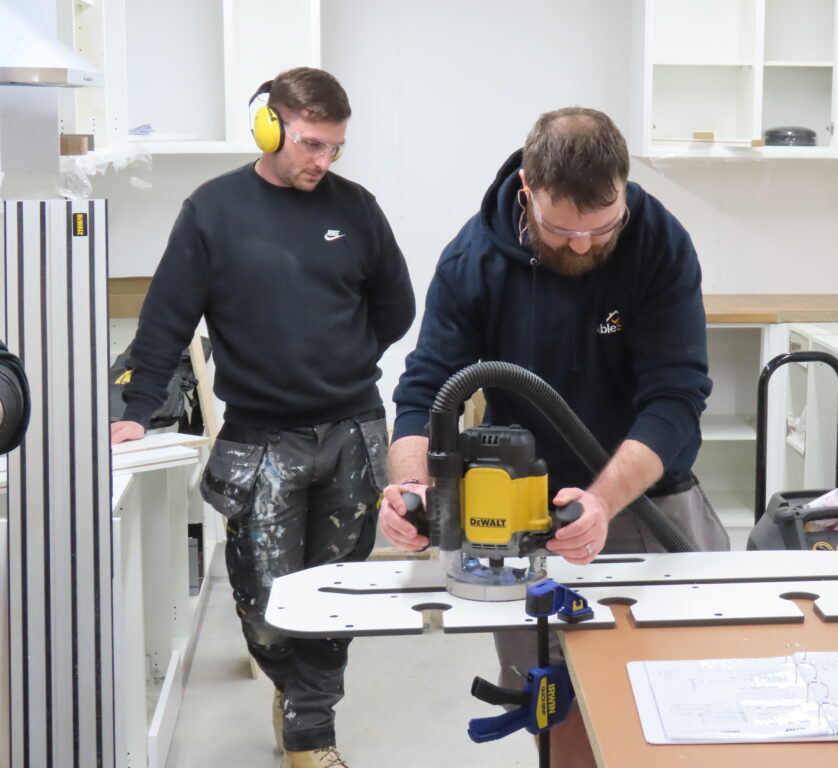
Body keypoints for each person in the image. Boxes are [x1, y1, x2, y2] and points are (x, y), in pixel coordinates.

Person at [378, 107, 728, 767]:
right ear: (526, 193)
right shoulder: (474, 259)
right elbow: (425, 391)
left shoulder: (658, 242)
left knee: (687, 702)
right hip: (524, 514)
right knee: (555, 708)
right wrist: (413, 488)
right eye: (562, 228)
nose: (582, 246)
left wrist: (600, 502)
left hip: (650, 499)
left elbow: (676, 398)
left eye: (601, 228)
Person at [111, 67, 415, 768]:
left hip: (351, 433)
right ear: (269, 127)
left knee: (339, 597)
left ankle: (312, 734)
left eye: (335, 147)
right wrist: (135, 411)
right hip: (259, 442)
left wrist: (337, 359)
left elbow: (397, 308)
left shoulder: (357, 208)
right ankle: (290, 687)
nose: (323, 161)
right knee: (266, 607)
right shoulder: (213, 212)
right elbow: (165, 319)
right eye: (310, 144)